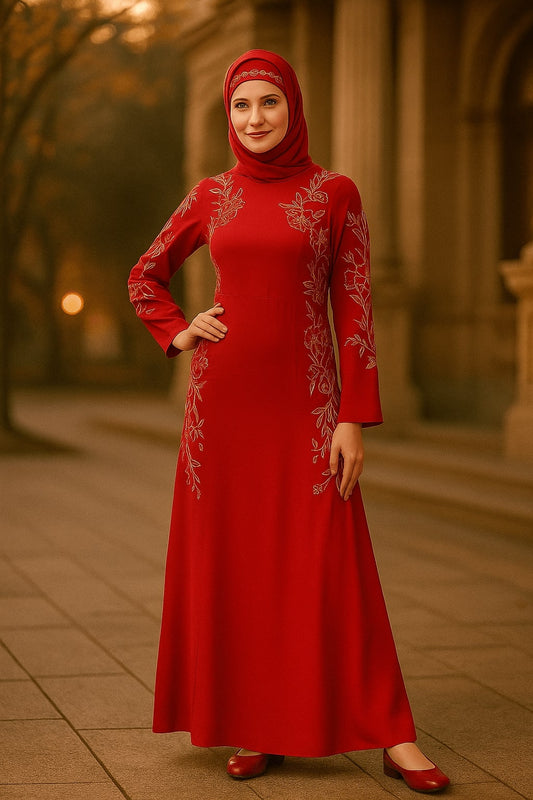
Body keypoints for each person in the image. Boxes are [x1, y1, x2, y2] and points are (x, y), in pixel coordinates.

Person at [128, 49, 450, 794]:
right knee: (236, 564)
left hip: (307, 409)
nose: (254, 119)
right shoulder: (211, 195)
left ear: (292, 107)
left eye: (268, 103)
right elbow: (145, 272)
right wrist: (178, 331)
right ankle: (255, 724)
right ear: (229, 115)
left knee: (331, 564)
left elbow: (355, 306)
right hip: (222, 412)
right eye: (241, 107)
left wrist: (351, 417)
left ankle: (393, 734)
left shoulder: (334, 192)